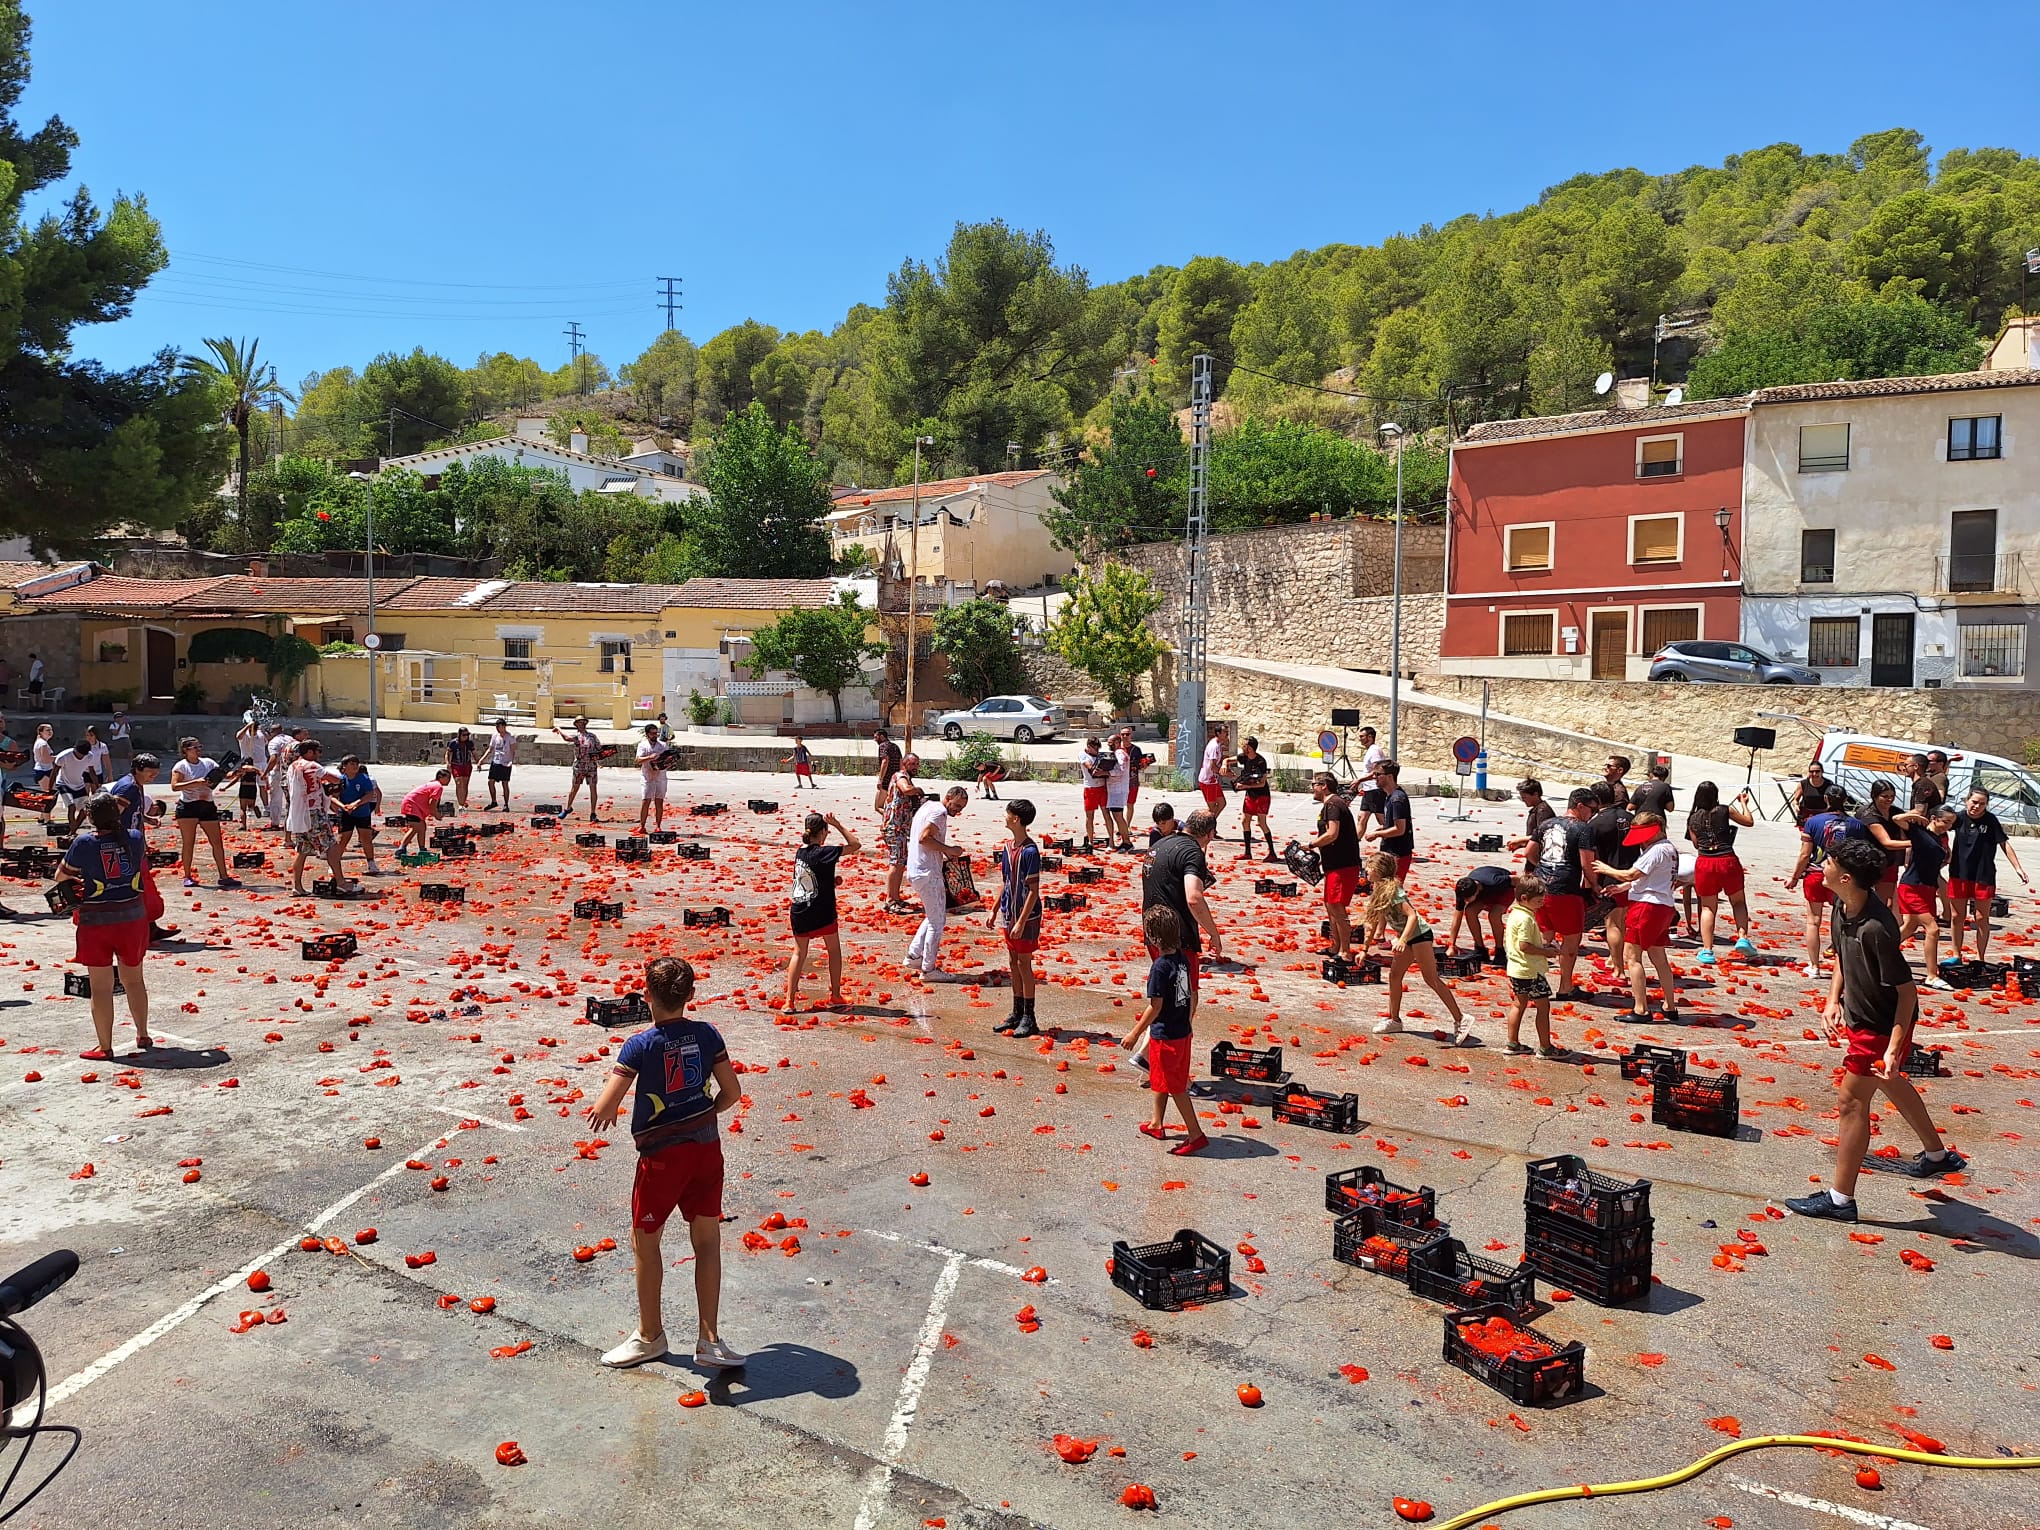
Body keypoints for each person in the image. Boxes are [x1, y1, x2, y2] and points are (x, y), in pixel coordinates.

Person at [1785, 838, 1967, 1223]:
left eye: (1829, 862)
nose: (1823, 864)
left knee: (1851, 1102)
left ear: (1846, 878)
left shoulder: (1876, 928)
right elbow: (1841, 956)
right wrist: (1832, 1000)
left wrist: (1893, 1048)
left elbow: (1907, 993)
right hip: (1863, 1018)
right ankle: (1937, 1155)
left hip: (1882, 1025)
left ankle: (1840, 1200)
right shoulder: (1842, 906)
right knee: (1891, 1083)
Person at [587, 956, 745, 1370]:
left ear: (646, 996)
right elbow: (732, 1093)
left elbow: (605, 1105)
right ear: (691, 995)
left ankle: (650, 1336)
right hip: (706, 1150)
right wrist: (704, 1112)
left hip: (662, 1159)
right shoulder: (708, 1034)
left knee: (646, 1241)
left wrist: (608, 1109)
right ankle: (709, 1339)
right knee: (707, 1241)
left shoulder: (640, 1045)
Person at [58, 791, 154, 1060]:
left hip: (96, 922)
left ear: (90, 817)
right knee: (134, 980)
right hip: (132, 918)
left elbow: (61, 876)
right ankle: (142, 1033)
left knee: (101, 987)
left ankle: (105, 1046)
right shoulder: (135, 838)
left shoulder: (84, 843)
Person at [1121, 905, 1206, 1155]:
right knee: (1160, 1078)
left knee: (1176, 1087)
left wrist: (1134, 1033)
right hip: (1181, 1031)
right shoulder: (1181, 959)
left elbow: (1155, 1006)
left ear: (1152, 937)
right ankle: (1156, 1123)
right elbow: (1188, 995)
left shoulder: (1160, 967)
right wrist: (1187, 1023)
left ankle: (1196, 1134)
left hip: (1167, 1035)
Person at [1365, 852, 1471, 1043]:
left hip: (1420, 935)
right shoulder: (1378, 890)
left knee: (1431, 979)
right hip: (1406, 938)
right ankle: (1394, 1020)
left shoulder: (1393, 891)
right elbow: (1374, 920)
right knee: (1395, 976)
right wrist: (1365, 949)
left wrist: (1403, 940)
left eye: (1369, 867)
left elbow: (1412, 916)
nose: (1366, 870)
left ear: (1379, 870)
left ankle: (1461, 1019)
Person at [1142, 808, 1225, 1018]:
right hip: (1177, 937)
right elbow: (1194, 897)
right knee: (1184, 997)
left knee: (1164, 994)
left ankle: (1152, 1040)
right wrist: (1214, 933)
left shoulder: (1159, 844)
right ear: (1210, 834)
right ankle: (1177, 1037)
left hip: (1153, 930)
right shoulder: (1192, 852)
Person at [1600, 812, 1681, 1022]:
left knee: (1632, 957)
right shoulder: (1669, 849)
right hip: (1664, 906)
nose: (1642, 841)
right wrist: (1622, 888)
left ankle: (1641, 1009)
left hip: (1647, 907)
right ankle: (1670, 1005)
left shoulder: (1656, 850)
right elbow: (1647, 878)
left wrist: (1606, 869)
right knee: (1659, 957)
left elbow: (1631, 874)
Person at [1787, 784, 1867, 980]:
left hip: (1816, 874)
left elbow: (1805, 854)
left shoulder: (1813, 822)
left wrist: (1795, 877)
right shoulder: (1857, 825)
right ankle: (1842, 965)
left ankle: (1814, 966)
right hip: (1842, 878)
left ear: (1826, 799)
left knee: (1813, 921)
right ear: (1846, 800)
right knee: (1844, 920)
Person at [785, 811, 858, 1012]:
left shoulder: (800, 853)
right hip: (822, 912)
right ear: (824, 832)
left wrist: (829, 882)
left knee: (799, 952)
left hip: (799, 910)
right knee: (833, 951)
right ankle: (835, 995)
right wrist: (838, 825)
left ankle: (789, 1001)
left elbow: (808, 876)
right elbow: (855, 845)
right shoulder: (826, 852)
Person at [1532, 788, 1600, 999]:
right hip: (1565, 889)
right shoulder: (1582, 829)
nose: (1593, 814)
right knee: (1570, 940)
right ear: (1580, 806)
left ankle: (1533, 982)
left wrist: (1543, 867)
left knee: (1543, 936)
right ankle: (1565, 987)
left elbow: (1529, 852)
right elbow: (1586, 864)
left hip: (1540, 886)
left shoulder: (1546, 824)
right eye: (1592, 810)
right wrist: (1595, 885)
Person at [1948, 786, 2027, 963]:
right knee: (1957, 916)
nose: (1977, 806)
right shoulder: (1958, 818)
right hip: (1959, 873)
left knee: (1981, 917)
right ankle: (1956, 954)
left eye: (1982, 804)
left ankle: (1980, 957)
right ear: (1966, 800)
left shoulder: (1991, 820)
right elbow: (1937, 829)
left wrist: (2018, 868)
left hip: (1983, 874)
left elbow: (2004, 843)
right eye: (1974, 802)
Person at [1685, 781, 1757, 964]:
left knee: (1708, 907)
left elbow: (1696, 844)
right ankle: (1742, 937)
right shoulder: (1725, 810)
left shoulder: (1692, 818)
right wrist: (1744, 804)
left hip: (1705, 862)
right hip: (1727, 859)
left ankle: (1707, 950)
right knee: (1738, 902)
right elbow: (1749, 822)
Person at [990, 798, 1044, 1038]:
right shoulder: (1007, 847)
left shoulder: (1030, 852)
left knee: (1024, 963)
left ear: (1016, 819)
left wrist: (1022, 921)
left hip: (1026, 917)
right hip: (1009, 913)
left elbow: (1033, 890)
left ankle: (1029, 1017)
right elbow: (1006, 882)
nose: (1005, 817)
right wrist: (994, 909)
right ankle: (1016, 1011)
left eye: (1007, 814)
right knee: (1013, 962)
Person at [904, 785, 969, 981]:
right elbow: (925, 839)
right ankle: (929, 969)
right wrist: (949, 849)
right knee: (937, 921)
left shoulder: (928, 806)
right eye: (957, 805)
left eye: (961, 808)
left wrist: (944, 852)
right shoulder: (940, 812)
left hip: (917, 870)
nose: (958, 811)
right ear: (948, 797)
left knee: (933, 916)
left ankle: (914, 956)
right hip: (927, 872)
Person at [1891, 801, 1956, 987]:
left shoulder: (1940, 839)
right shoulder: (1919, 832)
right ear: (1934, 818)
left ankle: (1879, 950)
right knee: (1933, 929)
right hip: (1912, 887)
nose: (1948, 826)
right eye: (1946, 822)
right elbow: (1897, 819)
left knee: (1910, 927)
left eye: (1951, 823)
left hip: (1928, 888)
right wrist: (1915, 816)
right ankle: (1931, 975)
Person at [285, 739, 355, 897]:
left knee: (302, 850)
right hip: (313, 812)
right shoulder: (312, 765)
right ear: (310, 752)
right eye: (318, 752)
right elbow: (335, 779)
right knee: (331, 846)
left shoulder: (292, 766)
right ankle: (341, 883)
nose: (319, 755)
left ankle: (297, 886)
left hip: (299, 813)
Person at [169, 737, 239, 888]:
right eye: (195, 747)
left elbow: (224, 775)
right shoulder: (181, 766)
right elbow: (175, 786)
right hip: (188, 806)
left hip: (207, 805)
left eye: (199, 746)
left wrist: (238, 772)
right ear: (186, 750)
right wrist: (196, 782)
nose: (199, 750)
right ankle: (187, 876)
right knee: (188, 843)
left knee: (217, 842)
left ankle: (224, 876)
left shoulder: (208, 762)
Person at [1503, 875, 1561, 1057]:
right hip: (1530, 970)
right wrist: (1546, 952)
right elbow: (1524, 946)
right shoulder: (1526, 919)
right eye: (1538, 900)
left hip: (1517, 968)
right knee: (1543, 1007)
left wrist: (1542, 946)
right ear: (1524, 898)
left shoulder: (1515, 914)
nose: (1541, 903)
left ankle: (1512, 1043)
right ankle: (1546, 1047)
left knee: (1518, 1004)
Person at [1309, 772, 1361, 961]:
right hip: (1335, 864)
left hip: (1343, 866)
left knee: (1337, 907)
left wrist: (1311, 845)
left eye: (1314, 784)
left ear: (1324, 786)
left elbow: (1332, 834)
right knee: (1330, 905)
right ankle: (1335, 946)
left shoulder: (1333, 805)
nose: (1312, 788)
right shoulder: (1332, 804)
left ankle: (1345, 952)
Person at [881, 754, 924, 914]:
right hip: (894, 827)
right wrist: (917, 790)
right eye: (912, 764)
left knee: (900, 863)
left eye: (917, 764)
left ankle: (895, 897)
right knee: (896, 862)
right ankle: (890, 900)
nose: (915, 767)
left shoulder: (907, 778)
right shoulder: (900, 776)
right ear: (904, 764)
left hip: (901, 828)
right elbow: (906, 789)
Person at [1445, 865, 1515, 960]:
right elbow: (1457, 916)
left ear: (1476, 891)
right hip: (1485, 892)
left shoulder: (1494, 881)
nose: (1465, 901)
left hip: (1504, 891)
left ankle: (1500, 950)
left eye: (1467, 899)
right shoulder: (1462, 890)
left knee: (1494, 915)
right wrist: (1451, 945)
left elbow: (1517, 880)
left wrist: (1525, 902)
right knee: (1470, 911)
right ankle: (1480, 949)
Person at [1856, 780, 1906, 906]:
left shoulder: (1897, 812)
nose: (1889, 799)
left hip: (1889, 862)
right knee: (1863, 901)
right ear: (1874, 795)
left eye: (1892, 796)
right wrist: (1916, 843)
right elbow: (1886, 842)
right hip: (1868, 862)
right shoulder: (1867, 814)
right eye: (1885, 796)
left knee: (1886, 902)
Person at [1364, 760, 1415, 881]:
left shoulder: (1397, 799)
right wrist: (1380, 829)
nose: (1374, 777)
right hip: (1390, 852)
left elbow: (1399, 829)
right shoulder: (1390, 796)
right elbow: (1391, 824)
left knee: (1392, 888)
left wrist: (1377, 834)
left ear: (1390, 776)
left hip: (1398, 853)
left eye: (1378, 774)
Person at [334, 755, 384, 876]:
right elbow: (333, 797)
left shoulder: (363, 778)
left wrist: (355, 804)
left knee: (366, 839)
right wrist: (343, 807)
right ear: (344, 766)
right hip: (346, 813)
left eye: (356, 764)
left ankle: (371, 863)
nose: (355, 766)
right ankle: (334, 864)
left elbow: (370, 794)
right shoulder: (340, 780)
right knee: (343, 839)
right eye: (352, 764)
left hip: (362, 813)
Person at [1231, 736, 1274, 861]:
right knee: (1245, 821)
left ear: (1250, 748)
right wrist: (1224, 765)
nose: (1242, 747)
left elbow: (1262, 783)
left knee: (1261, 822)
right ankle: (1247, 852)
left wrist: (1245, 786)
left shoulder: (1261, 762)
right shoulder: (1244, 757)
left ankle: (1272, 853)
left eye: (1244, 745)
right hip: (1250, 794)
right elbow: (1228, 760)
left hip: (1262, 795)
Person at [556, 715, 603, 822]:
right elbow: (567, 738)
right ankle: (568, 808)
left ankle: (593, 813)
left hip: (591, 766)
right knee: (575, 788)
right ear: (576, 724)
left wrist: (601, 756)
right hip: (579, 766)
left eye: (583, 722)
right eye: (579, 722)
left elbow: (599, 749)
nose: (581, 724)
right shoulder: (577, 736)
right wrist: (559, 730)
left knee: (593, 788)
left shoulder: (592, 736)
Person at [397, 771, 452, 858]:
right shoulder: (438, 786)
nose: (449, 780)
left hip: (412, 804)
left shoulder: (433, 784)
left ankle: (422, 849)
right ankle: (401, 849)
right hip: (411, 804)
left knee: (422, 827)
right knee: (416, 827)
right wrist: (436, 814)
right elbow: (432, 803)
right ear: (440, 777)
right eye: (448, 777)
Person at [106, 752, 162, 836]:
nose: (152, 779)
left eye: (155, 775)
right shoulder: (129, 788)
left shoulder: (137, 783)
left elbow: (133, 811)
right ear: (138, 770)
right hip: (124, 837)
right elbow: (113, 816)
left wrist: (146, 819)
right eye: (150, 775)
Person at [52, 736, 97, 830]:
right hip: (63, 783)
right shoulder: (63, 756)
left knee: (86, 808)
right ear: (75, 749)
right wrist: (50, 788)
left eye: (83, 755)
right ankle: (73, 829)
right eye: (80, 754)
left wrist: (97, 786)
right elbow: (54, 772)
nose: (81, 757)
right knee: (71, 806)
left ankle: (73, 829)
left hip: (79, 783)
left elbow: (92, 771)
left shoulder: (90, 756)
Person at [1507, 778, 1554, 868]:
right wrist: (1521, 844)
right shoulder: (1537, 809)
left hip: (1540, 857)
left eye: (1525, 797)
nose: (1523, 800)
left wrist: (1519, 840)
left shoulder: (1543, 811)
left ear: (1535, 794)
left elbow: (1542, 835)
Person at [1103, 730, 1135, 852]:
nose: (1108, 745)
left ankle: (1127, 842)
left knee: (1118, 816)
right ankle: (1125, 841)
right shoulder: (1117, 753)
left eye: (1110, 742)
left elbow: (1120, 770)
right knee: (1117, 816)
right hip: (1114, 789)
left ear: (1117, 742)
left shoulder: (1120, 753)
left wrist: (1106, 772)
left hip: (1118, 790)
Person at [1079, 737, 1112, 848]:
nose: (1097, 751)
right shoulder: (1083, 754)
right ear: (1089, 747)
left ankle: (1111, 841)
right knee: (1090, 816)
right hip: (1090, 788)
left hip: (1102, 787)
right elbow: (1090, 767)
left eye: (1098, 749)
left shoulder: (1099, 755)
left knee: (1106, 814)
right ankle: (1090, 841)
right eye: (1095, 749)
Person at [1354, 726, 1387, 839]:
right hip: (1369, 790)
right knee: (1361, 818)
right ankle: (1354, 844)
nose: (1360, 739)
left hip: (1375, 790)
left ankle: (1391, 841)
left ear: (1370, 737)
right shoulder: (1370, 750)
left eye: (1362, 736)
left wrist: (1360, 780)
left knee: (1382, 820)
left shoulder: (1374, 751)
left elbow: (1377, 771)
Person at [635, 723, 669, 834]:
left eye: (656, 733)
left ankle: (658, 826)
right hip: (647, 777)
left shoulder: (663, 745)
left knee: (659, 801)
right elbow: (638, 760)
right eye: (652, 733)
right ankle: (642, 825)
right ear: (647, 734)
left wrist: (667, 763)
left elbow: (668, 759)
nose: (655, 735)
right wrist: (650, 757)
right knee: (646, 801)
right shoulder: (643, 745)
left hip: (660, 777)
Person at [1197, 722, 1229, 821]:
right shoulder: (1214, 746)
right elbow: (1213, 767)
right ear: (1218, 733)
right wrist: (1226, 773)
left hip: (1213, 780)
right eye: (1225, 732)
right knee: (1212, 808)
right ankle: (1203, 823)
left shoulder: (1218, 744)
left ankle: (1209, 824)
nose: (1227, 734)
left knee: (1222, 803)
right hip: (1208, 781)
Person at [485, 719, 517, 810]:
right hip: (496, 761)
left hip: (505, 763)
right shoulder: (495, 736)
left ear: (504, 726)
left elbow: (513, 750)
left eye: (499, 726)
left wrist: (511, 761)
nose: (497, 728)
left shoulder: (510, 737)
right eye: (496, 726)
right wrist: (481, 760)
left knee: (505, 783)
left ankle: (506, 804)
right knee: (490, 781)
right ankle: (494, 801)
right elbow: (490, 749)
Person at [873, 728, 902, 816]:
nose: (875, 740)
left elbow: (885, 761)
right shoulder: (895, 746)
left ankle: (891, 818)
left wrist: (880, 779)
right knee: (890, 804)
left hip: (886, 780)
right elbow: (901, 762)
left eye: (876, 737)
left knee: (878, 807)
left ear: (882, 736)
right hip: (895, 779)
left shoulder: (883, 746)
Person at [1790, 761, 1831, 825]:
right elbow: (1795, 800)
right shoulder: (1803, 784)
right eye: (1811, 771)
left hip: (1822, 816)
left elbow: (1833, 801)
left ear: (1822, 771)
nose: (1814, 774)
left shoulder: (1829, 784)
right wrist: (1796, 805)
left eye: (1817, 771)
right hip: (1806, 816)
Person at [444, 728, 476, 808]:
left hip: (467, 765)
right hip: (456, 765)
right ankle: (460, 803)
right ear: (459, 735)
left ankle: (463, 801)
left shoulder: (469, 743)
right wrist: (448, 763)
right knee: (459, 783)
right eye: (464, 735)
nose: (466, 736)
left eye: (467, 735)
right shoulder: (453, 743)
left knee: (465, 784)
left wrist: (478, 762)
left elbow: (474, 753)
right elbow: (447, 753)